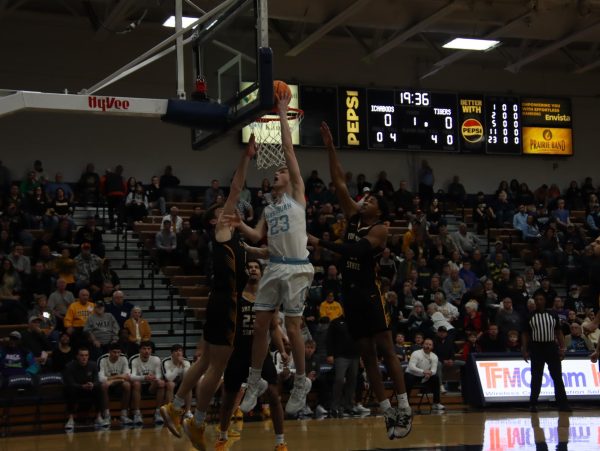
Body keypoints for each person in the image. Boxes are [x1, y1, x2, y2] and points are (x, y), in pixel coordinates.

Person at [309, 121, 412, 440]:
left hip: (371, 294)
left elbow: (354, 249)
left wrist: (322, 243)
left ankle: (404, 407)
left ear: (379, 209)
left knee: (386, 349)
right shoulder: (353, 216)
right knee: (367, 355)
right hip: (350, 295)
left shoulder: (380, 230)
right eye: (363, 199)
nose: (363, 200)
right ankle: (387, 412)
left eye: (369, 200)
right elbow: (338, 180)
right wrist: (329, 147)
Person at [160, 134, 257, 449]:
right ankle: (197, 422)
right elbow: (237, 187)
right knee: (218, 365)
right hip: (227, 303)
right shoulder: (222, 229)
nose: (229, 209)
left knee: (202, 362)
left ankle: (174, 407)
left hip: (219, 301)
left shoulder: (234, 238)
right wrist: (246, 157)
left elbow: (258, 244)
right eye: (224, 208)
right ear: (217, 218)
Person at [227, 93, 315, 421]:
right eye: (276, 171)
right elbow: (257, 235)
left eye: (281, 171)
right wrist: (240, 225)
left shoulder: (296, 194)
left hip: (296, 269)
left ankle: (302, 381)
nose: (278, 173)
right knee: (261, 324)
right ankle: (254, 381)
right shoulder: (269, 206)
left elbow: (288, 150)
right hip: (273, 267)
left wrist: (280, 112)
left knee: (292, 328)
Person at [213, 260, 288, 450]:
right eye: (250, 267)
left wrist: (282, 350)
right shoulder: (236, 296)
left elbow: (274, 327)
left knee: (273, 393)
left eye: (256, 267)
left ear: (261, 273)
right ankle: (222, 437)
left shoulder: (270, 296)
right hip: (239, 350)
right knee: (230, 396)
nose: (253, 269)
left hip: (261, 352)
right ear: (245, 273)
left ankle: (280, 441)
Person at [521, 293, 571, 412]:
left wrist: (563, 347)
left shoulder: (553, 314)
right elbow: (525, 334)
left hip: (551, 347)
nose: (538, 301)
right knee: (536, 377)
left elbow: (558, 332)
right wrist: (524, 349)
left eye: (541, 299)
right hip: (536, 348)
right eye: (537, 299)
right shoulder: (529, 316)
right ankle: (533, 404)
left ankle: (563, 404)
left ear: (545, 301)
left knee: (557, 376)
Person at [63, 347, 108, 430]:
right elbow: (70, 383)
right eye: (82, 355)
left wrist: (92, 384)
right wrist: (81, 386)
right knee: (70, 390)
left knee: (99, 388)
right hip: (76, 390)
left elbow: (97, 381)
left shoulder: (93, 365)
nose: (84, 357)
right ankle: (70, 419)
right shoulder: (70, 366)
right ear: (77, 356)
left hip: (88, 390)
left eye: (86, 355)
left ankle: (98, 417)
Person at [130, 341, 165, 425]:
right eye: (144, 349)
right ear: (139, 350)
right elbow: (131, 376)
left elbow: (159, 375)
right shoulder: (134, 359)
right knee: (136, 383)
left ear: (151, 350)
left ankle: (158, 412)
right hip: (139, 386)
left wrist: (154, 379)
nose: (146, 351)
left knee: (161, 383)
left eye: (149, 349)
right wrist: (144, 377)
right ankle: (137, 414)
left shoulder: (156, 359)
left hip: (151, 385)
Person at [98, 342, 133, 426]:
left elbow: (127, 376)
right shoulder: (102, 359)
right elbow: (101, 378)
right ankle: (106, 415)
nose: (117, 354)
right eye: (114, 352)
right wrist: (119, 377)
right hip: (107, 384)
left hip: (118, 384)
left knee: (127, 385)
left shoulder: (124, 358)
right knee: (104, 385)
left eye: (118, 352)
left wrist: (112, 380)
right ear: (109, 352)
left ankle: (124, 415)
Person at [404, 338, 444, 411]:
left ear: (432, 347)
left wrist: (430, 373)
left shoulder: (434, 356)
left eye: (430, 344)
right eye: (426, 344)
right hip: (412, 374)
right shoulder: (416, 353)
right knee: (408, 378)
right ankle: (405, 404)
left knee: (435, 378)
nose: (427, 346)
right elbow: (411, 367)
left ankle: (436, 403)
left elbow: (434, 370)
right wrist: (423, 371)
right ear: (423, 345)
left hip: (424, 376)